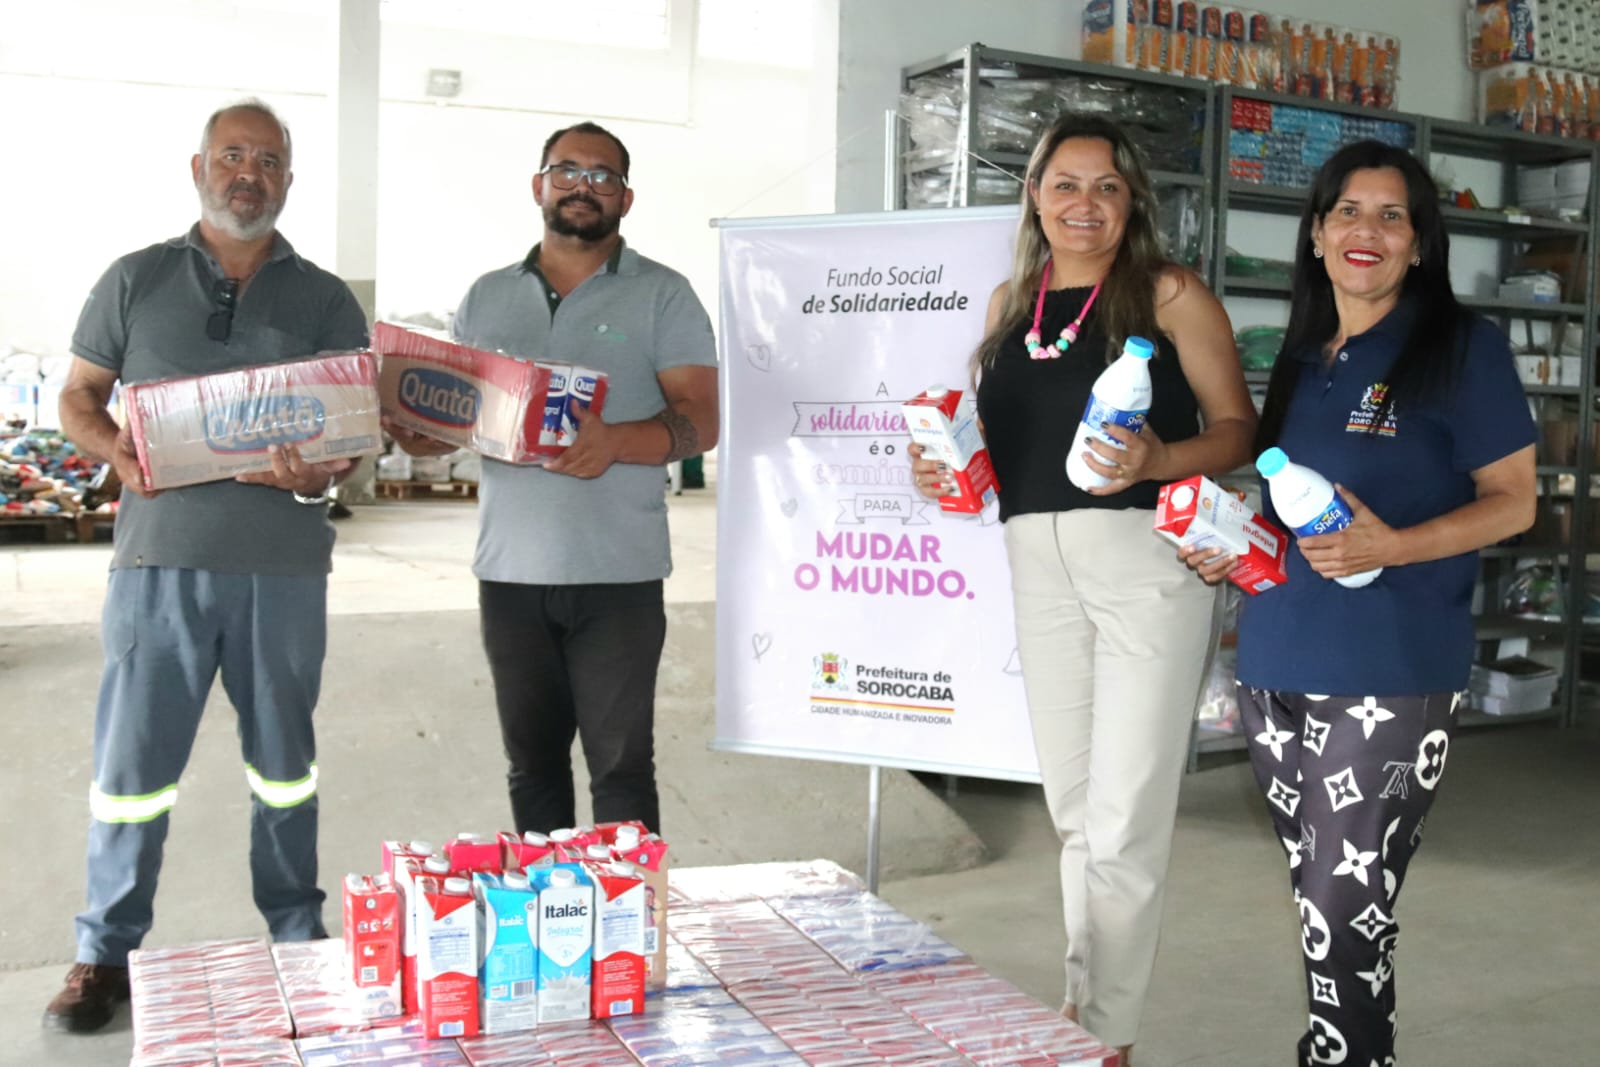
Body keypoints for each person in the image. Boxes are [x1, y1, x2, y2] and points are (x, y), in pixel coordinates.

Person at [1181, 142, 1536, 1066]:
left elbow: (1515, 500)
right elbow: (1288, 510)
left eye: (1391, 215)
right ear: (1316, 234)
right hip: (1276, 661)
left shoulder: (1462, 348)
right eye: (1347, 211)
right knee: (1322, 900)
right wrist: (1233, 546)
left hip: (1392, 668)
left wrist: (1394, 545)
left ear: (1419, 243)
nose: (1365, 230)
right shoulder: (1305, 357)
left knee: (1345, 905)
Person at [912, 113, 1256, 1064]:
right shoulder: (1010, 305)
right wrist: (943, 469)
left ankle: (1107, 1036)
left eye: (1107, 186)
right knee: (1074, 811)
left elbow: (1238, 427)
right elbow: (999, 447)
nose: (1085, 204)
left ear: (1133, 199)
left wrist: (1161, 457)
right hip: (1037, 560)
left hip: (1147, 563)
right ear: (1035, 196)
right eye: (1065, 184)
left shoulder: (1168, 293)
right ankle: (1082, 1009)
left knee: (1124, 818)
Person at [46, 99, 368, 1033]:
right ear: (198, 168)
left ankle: (298, 937)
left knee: (284, 769)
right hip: (159, 563)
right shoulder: (135, 279)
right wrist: (114, 449)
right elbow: (79, 395)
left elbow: (349, 434)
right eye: (231, 155)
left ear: (288, 180)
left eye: (266, 160)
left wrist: (322, 469)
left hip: (282, 569)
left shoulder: (325, 298)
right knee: (132, 769)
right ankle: (105, 951)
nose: (247, 174)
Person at [390, 121, 717, 837]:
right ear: (539, 185)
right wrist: (416, 430)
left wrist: (617, 442)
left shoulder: (664, 294)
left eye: (603, 176)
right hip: (510, 575)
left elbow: (702, 418)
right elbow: (457, 418)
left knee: (621, 769)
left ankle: (629, 911)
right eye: (567, 171)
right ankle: (545, 909)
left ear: (625, 198)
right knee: (532, 767)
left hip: (620, 577)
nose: (582, 186)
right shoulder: (486, 296)